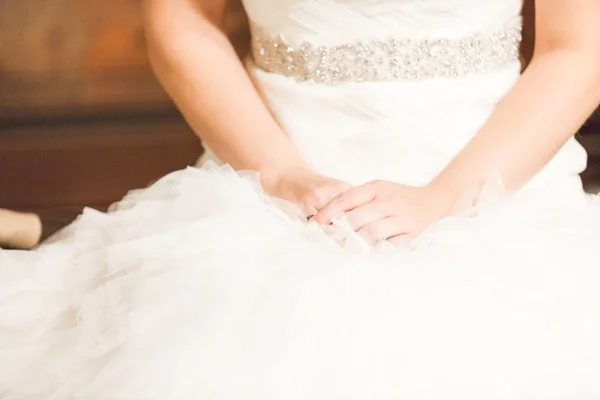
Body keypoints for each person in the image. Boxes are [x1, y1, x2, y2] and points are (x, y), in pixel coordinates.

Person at [1, 0, 600, 397]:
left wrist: (444, 199)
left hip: (497, 180)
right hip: (269, 176)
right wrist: (279, 173)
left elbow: (576, 48)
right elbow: (181, 17)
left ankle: (40, 226)